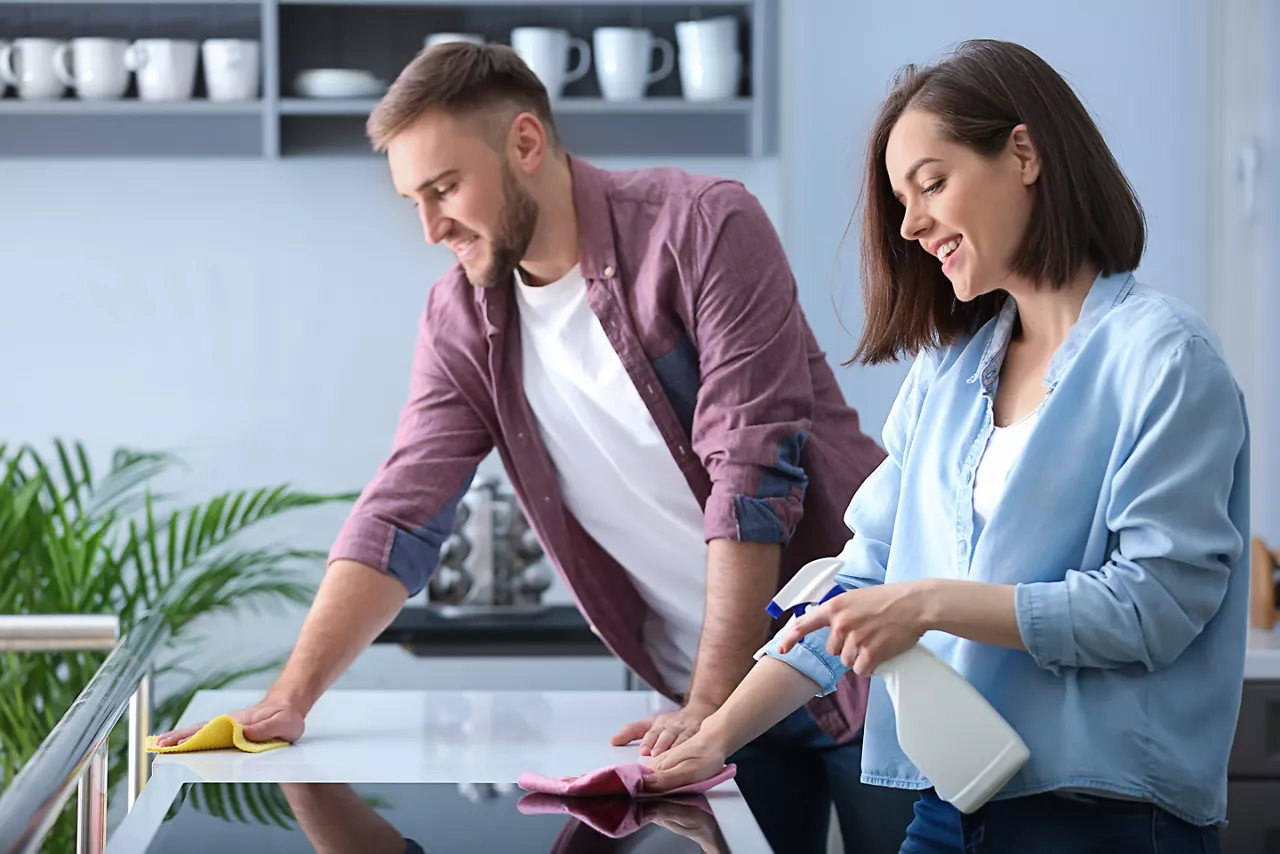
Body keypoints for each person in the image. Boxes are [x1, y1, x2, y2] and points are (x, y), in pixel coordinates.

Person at [151, 41, 920, 852]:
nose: (430, 227)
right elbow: (401, 511)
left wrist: (713, 703)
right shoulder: (463, 319)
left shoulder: (701, 227)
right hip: (717, 700)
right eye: (413, 199)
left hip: (865, 667)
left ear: (525, 143)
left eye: (445, 188)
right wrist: (292, 696)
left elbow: (752, 473)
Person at [641, 38, 1250, 854]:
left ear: (1024, 154)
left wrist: (925, 605)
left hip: (1108, 817)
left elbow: (1153, 609)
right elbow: (860, 584)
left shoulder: (1166, 358)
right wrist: (714, 738)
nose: (911, 222)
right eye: (902, 198)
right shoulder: (951, 371)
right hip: (950, 807)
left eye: (932, 183)